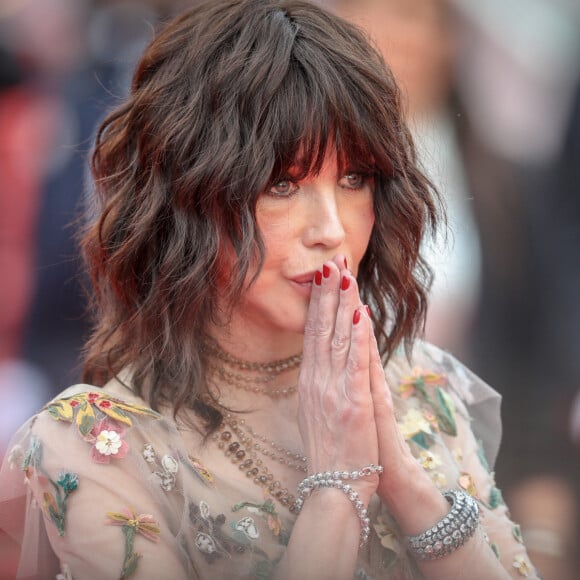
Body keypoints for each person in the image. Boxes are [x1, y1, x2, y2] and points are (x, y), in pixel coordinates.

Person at [0, 1, 538, 578]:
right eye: (283, 184)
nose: (331, 229)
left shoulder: (425, 389)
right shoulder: (94, 444)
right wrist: (338, 490)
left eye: (354, 179)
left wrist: (413, 493)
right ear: (186, 195)